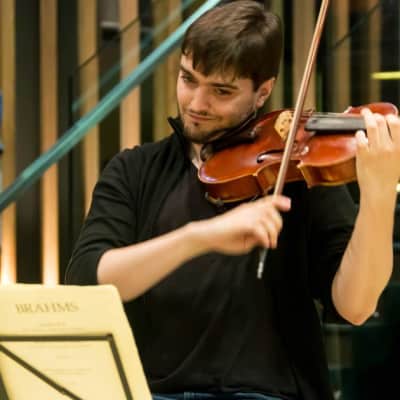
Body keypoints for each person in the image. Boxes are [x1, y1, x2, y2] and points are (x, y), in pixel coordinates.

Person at [65, 1, 400, 399]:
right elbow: (87, 281)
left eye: (221, 91)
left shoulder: (299, 168)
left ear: (263, 91)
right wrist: (200, 236)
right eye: (188, 79)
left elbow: (356, 306)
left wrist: (379, 194)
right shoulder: (133, 170)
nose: (196, 103)